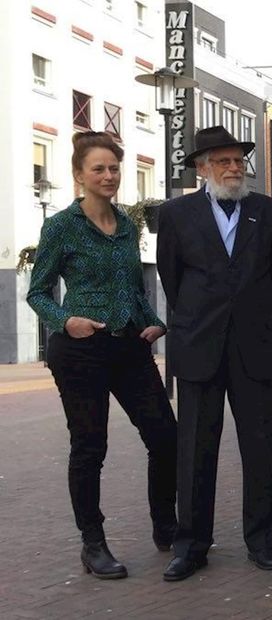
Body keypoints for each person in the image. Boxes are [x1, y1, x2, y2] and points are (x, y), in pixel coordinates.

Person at [26, 131, 177, 579]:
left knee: (165, 437)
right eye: (98, 169)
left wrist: (155, 320)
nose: (108, 176)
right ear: (79, 175)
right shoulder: (60, 226)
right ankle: (93, 544)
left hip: (130, 345)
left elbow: (133, 288)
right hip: (80, 349)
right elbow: (38, 293)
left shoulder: (128, 225)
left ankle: (166, 527)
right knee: (91, 446)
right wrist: (64, 320)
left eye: (114, 168)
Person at [156, 125, 272, 581]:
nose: (234, 168)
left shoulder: (270, 213)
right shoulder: (175, 215)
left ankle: (262, 542)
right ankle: (191, 545)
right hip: (198, 346)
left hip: (253, 347)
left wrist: (249, 316)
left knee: (258, 448)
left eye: (239, 161)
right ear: (202, 167)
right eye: (223, 161)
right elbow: (172, 281)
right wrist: (200, 317)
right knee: (195, 451)